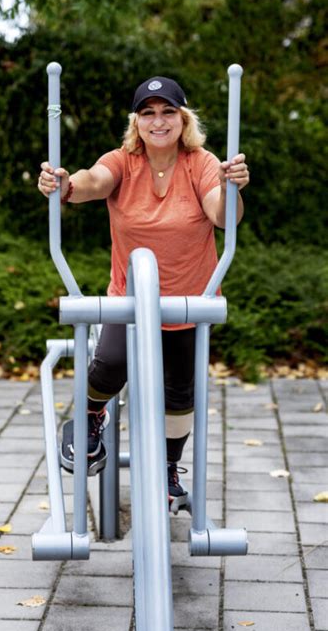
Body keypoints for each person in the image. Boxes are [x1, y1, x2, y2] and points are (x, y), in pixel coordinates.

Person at [38, 75, 249, 510]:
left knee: (179, 393)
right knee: (111, 362)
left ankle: (169, 469)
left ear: (182, 118)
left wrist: (232, 189)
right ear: (137, 122)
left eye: (168, 111)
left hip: (189, 299)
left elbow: (223, 217)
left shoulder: (202, 162)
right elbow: (94, 180)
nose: (159, 121)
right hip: (132, 296)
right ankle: (90, 417)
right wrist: (67, 186)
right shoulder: (123, 161)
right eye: (148, 113)